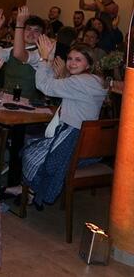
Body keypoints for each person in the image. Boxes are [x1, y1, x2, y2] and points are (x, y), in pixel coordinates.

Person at [16, 38, 107, 207]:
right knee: (36, 145)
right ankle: (27, 188)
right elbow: (56, 86)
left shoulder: (79, 81)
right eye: (70, 58)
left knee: (30, 153)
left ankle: (29, 190)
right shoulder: (95, 80)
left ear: (89, 64)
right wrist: (51, 61)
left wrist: (44, 59)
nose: (72, 63)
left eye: (78, 59)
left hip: (72, 139)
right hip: (88, 144)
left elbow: (44, 86)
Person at [0, 6, 47, 101]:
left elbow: (19, 54)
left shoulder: (40, 53)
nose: (31, 33)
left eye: (36, 31)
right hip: (7, 100)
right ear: (22, 31)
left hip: (28, 103)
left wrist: (19, 23)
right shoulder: (11, 50)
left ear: (42, 35)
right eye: (28, 29)